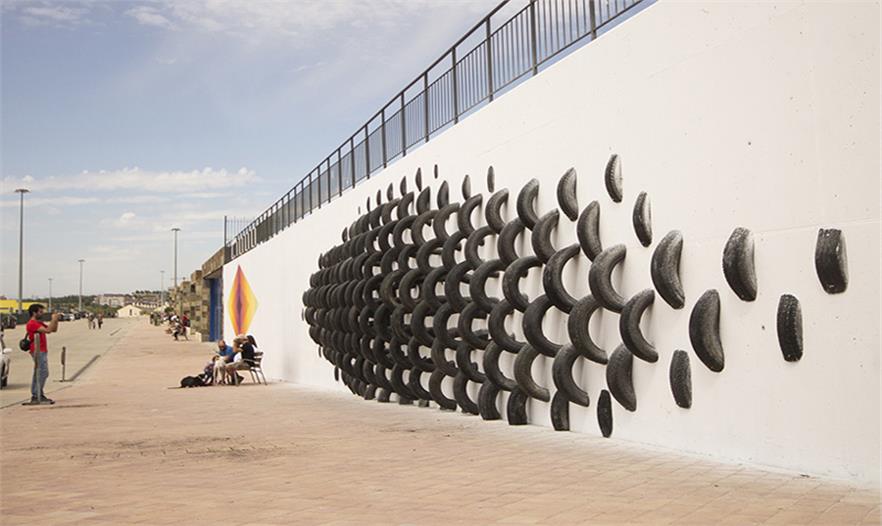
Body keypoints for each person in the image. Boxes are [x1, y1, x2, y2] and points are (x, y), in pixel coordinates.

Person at [25, 303, 59, 405]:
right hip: (37, 350)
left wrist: (55, 320)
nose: (42, 313)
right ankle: (36, 394)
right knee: (42, 372)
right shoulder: (32, 323)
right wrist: (53, 319)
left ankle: (38, 393)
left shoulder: (38, 323)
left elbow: (53, 329)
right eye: (40, 311)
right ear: (34, 313)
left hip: (42, 350)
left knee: (39, 372)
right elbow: (48, 330)